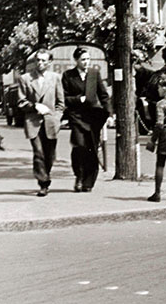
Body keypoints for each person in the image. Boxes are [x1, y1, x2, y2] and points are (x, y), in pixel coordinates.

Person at [62, 47, 111, 192]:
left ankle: (89, 181)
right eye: (83, 59)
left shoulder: (94, 74)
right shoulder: (68, 76)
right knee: (80, 146)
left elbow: (103, 95)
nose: (86, 62)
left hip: (93, 118)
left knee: (92, 148)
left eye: (88, 59)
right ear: (76, 60)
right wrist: (78, 99)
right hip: (76, 117)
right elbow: (64, 98)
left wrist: (109, 113)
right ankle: (79, 176)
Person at [17, 48, 64, 197]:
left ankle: (46, 175)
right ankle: (43, 183)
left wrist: (57, 117)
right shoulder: (25, 78)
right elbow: (20, 101)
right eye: (38, 60)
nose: (40, 63)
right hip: (33, 121)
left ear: (50, 62)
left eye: (44, 60)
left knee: (50, 155)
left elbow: (60, 102)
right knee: (38, 153)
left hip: (51, 121)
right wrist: (34, 106)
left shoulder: (56, 78)